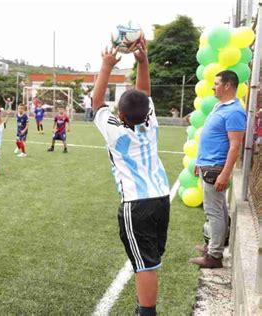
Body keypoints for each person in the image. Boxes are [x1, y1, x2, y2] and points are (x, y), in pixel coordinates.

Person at [92, 39, 170, 316]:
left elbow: (97, 103)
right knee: (151, 258)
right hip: (161, 198)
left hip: (137, 204)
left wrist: (106, 65)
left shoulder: (115, 129)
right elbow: (144, 92)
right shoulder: (150, 123)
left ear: (121, 114)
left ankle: (146, 313)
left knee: (145, 264)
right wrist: (143, 60)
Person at [189, 70, 247, 269]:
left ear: (228, 85)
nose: (213, 87)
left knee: (214, 212)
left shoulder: (235, 111)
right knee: (219, 210)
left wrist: (224, 173)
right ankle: (214, 246)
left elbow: (235, 145)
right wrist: (199, 160)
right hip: (208, 164)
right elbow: (211, 137)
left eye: (216, 83)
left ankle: (214, 256)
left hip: (215, 168)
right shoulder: (220, 106)